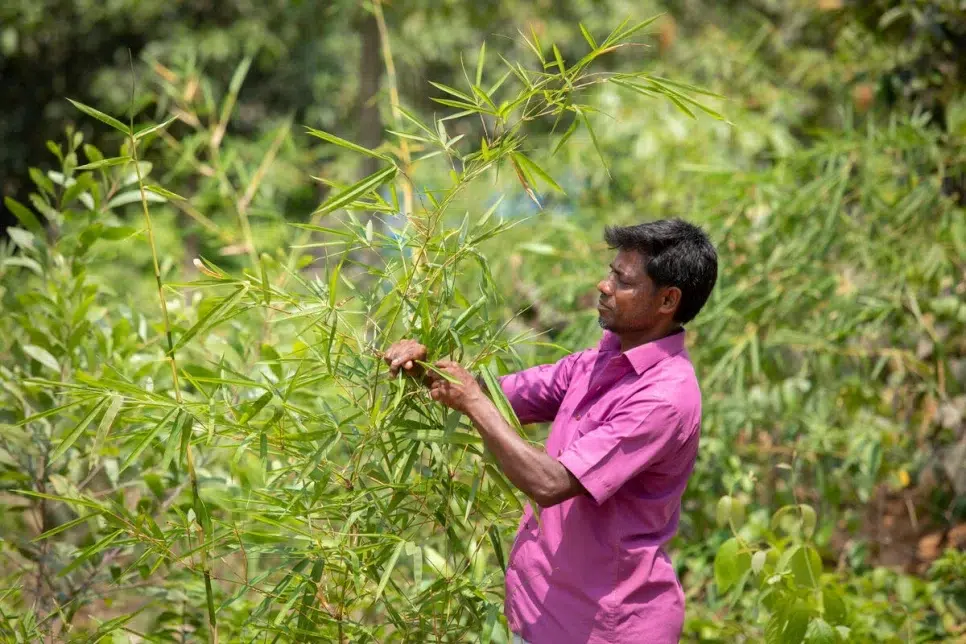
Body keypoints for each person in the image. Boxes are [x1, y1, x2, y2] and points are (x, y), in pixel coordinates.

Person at [383, 218, 718, 644]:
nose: (604, 285)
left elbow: (550, 482)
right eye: (610, 271)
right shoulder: (597, 362)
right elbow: (494, 394)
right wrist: (423, 366)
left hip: (601, 628)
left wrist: (472, 402)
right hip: (544, 614)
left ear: (667, 300)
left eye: (622, 279)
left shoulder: (664, 398)